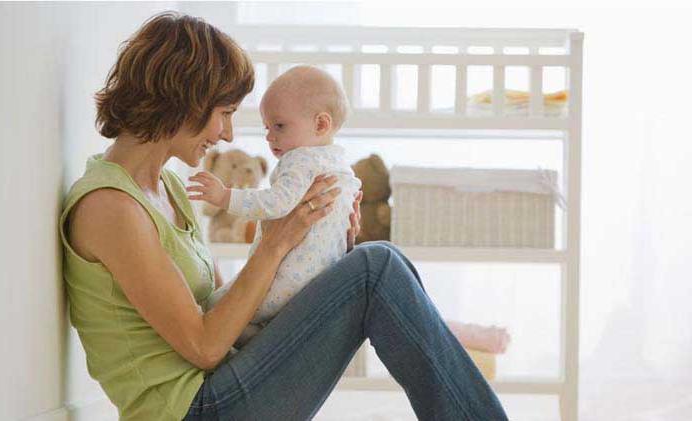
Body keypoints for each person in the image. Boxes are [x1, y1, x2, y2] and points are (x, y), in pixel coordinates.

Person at [59, 12, 509, 421]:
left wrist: (324, 249)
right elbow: (205, 346)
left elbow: (231, 311)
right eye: (224, 114)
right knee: (378, 267)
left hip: (223, 387)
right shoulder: (110, 207)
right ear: (183, 98)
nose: (228, 134)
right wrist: (277, 240)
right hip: (196, 410)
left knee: (373, 264)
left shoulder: (170, 188)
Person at [187, 65, 362, 347]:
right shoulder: (341, 165)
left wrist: (225, 196)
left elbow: (276, 204)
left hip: (288, 280)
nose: (269, 137)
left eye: (279, 126)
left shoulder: (300, 160)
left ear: (320, 124)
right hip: (321, 277)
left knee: (217, 305)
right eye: (267, 128)